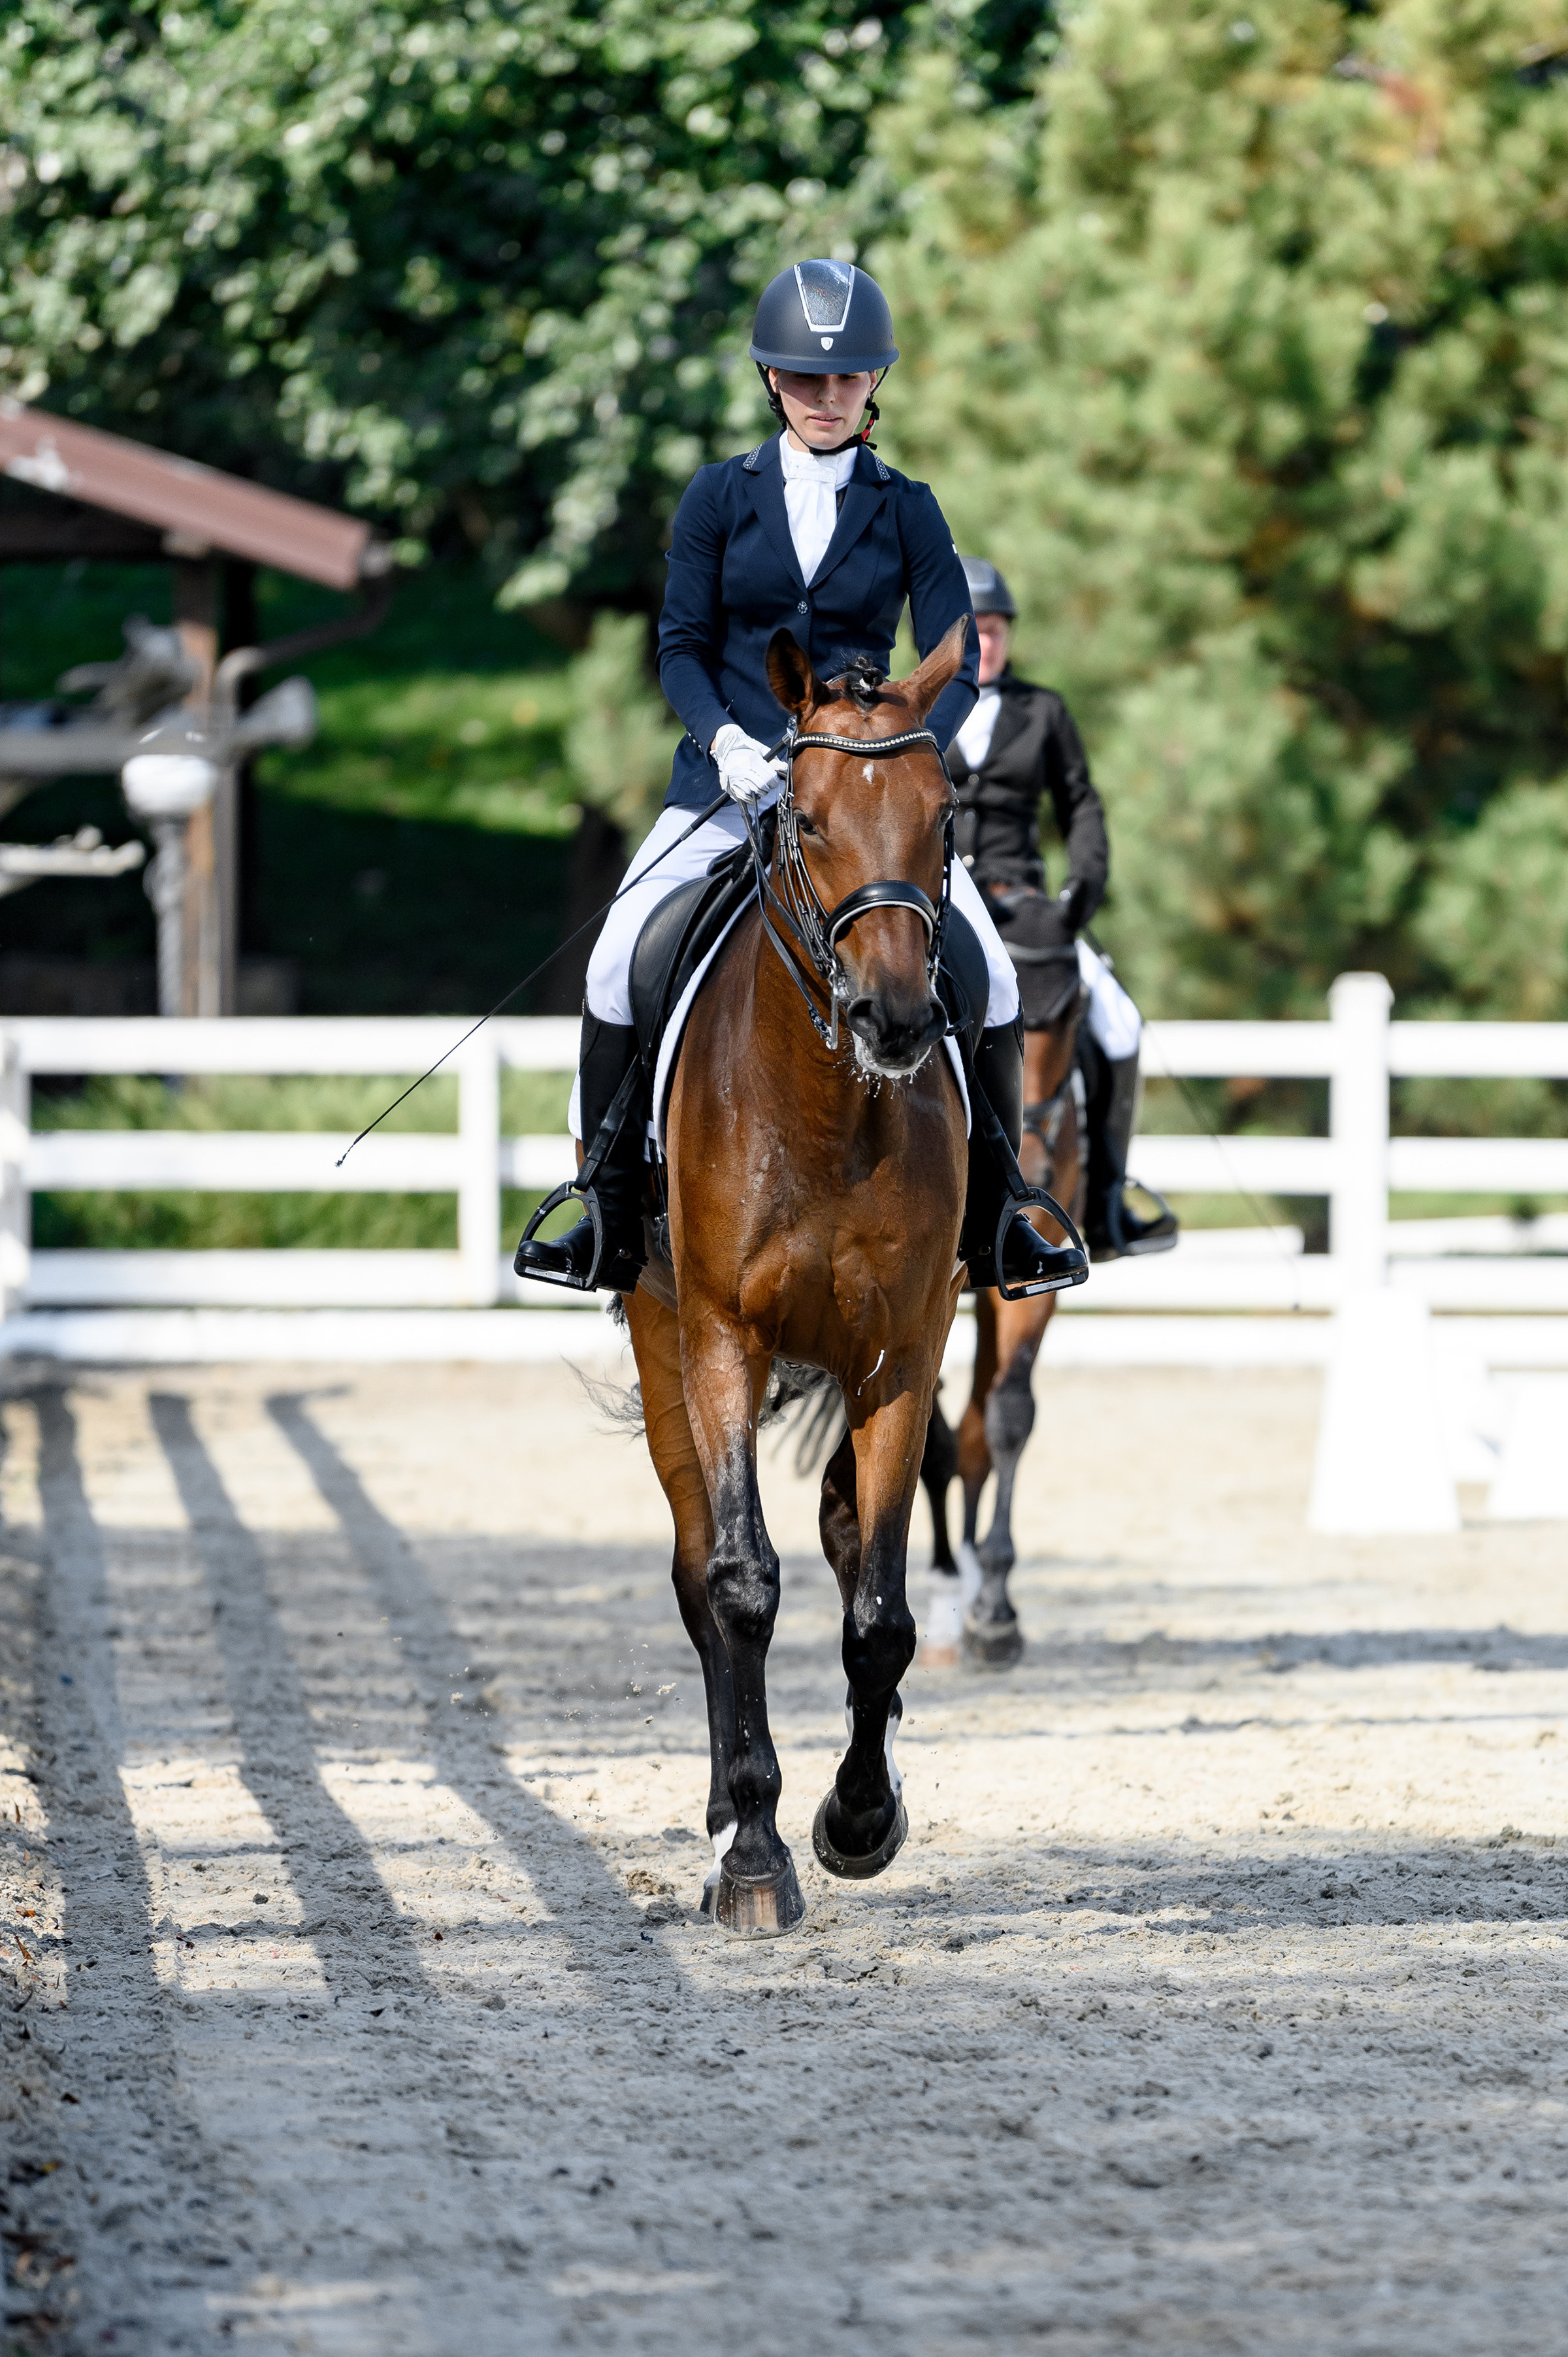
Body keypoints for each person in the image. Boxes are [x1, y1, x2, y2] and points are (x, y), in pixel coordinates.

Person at [515, 259, 1088, 1300]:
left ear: (875, 385)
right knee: (611, 961)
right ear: (774, 382)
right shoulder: (718, 497)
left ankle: (1002, 1211)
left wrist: (912, 748)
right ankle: (601, 1203)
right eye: (807, 381)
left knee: (994, 976)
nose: (829, 399)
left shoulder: (908, 507)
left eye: (849, 381)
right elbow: (683, 643)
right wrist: (728, 741)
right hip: (724, 790)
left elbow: (951, 648)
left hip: (865, 803)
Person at [947, 555, 1177, 1259]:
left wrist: (1083, 887)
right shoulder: (915, 707)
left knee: (1120, 1021)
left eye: (994, 630)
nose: (985, 643)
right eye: (971, 631)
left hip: (1029, 907)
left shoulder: (1042, 710)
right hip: (944, 900)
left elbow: (1081, 803)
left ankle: (1107, 1198)